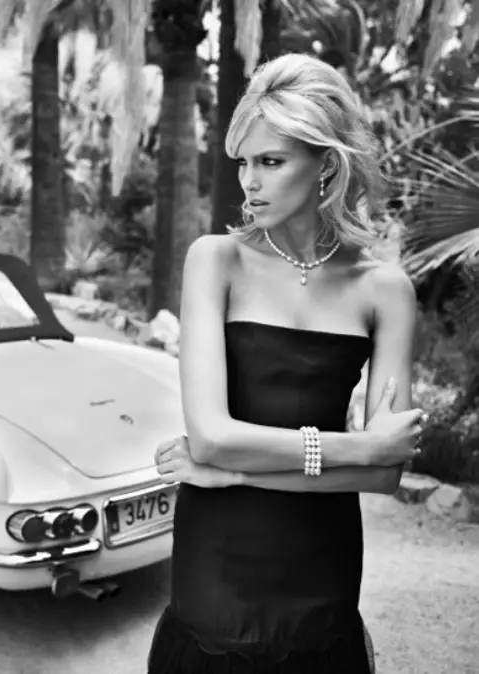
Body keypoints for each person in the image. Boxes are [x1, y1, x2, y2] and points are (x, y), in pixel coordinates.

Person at [146, 52, 428, 674]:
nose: (249, 182)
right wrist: (358, 447)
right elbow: (212, 437)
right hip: (217, 564)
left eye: (271, 162)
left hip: (321, 563)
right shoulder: (216, 260)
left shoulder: (385, 289)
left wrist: (232, 473)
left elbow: (386, 475)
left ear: (326, 163)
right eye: (244, 162)